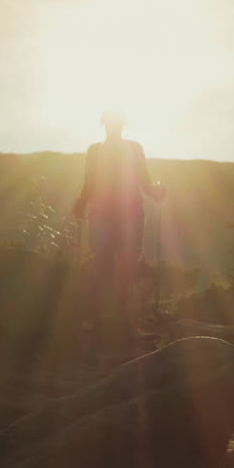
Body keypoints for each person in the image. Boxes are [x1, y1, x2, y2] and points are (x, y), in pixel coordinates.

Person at [73, 109, 165, 328]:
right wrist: (159, 192)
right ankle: (119, 315)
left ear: (104, 124)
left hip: (101, 212)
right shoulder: (134, 149)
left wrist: (80, 204)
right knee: (126, 261)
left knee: (102, 260)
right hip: (130, 212)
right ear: (124, 125)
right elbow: (146, 185)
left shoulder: (95, 151)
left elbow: (89, 184)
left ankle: (96, 315)